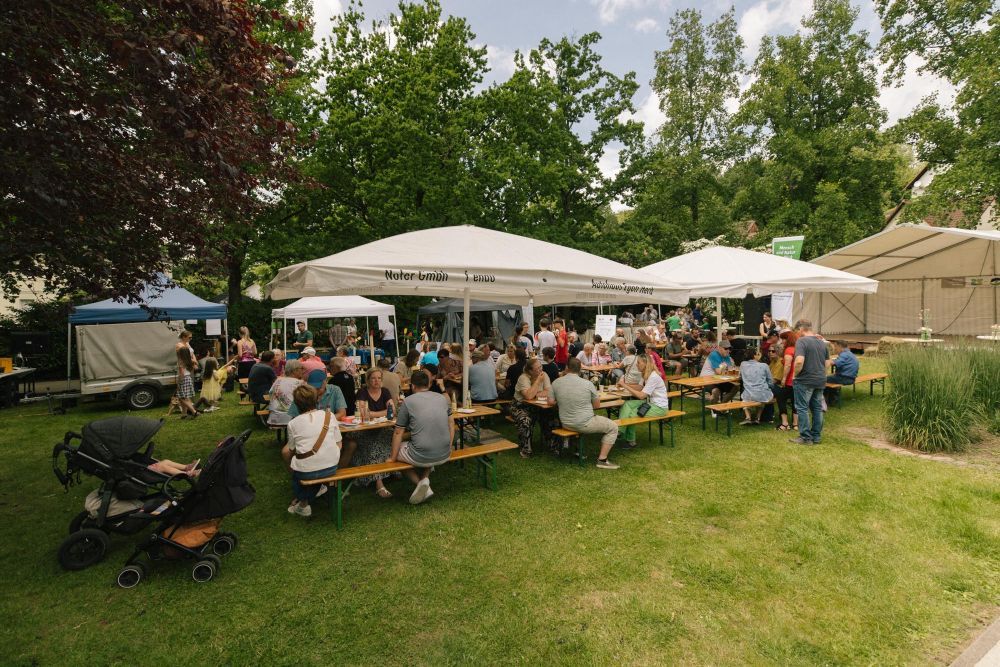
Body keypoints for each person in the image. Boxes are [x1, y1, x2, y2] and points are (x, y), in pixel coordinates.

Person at [388, 369, 455, 505]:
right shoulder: (442, 398)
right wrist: (449, 445)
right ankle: (424, 480)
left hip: (424, 454)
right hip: (445, 452)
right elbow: (451, 423)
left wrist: (392, 458)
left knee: (398, 450)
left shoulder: (408, 401)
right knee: (428, 442)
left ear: (412, 386)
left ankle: (420, 484)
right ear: (429, 384)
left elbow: (398, 432)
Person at [283, 385, 343, 518]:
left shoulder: (293, 424)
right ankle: (315, 491)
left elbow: (292, 449)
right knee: (307, 465)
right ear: (317, 399)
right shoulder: (329, 416)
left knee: (295, 465)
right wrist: (327, 454)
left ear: (296, 404)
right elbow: (339, 444)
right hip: (331, 466)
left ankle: (303, 503)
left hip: (306, 471)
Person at [550, 358, 620, 469]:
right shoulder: (587, 384)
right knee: (613, 427)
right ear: (580, 370)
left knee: (591, 423)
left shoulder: (556, 382)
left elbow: (550, 402)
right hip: (584, 423)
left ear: (566, 367)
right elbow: (596, 406)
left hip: (566, 423)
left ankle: (578, 450)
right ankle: (602, 460)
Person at [344, 369, 395, 498]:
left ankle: (389, 472)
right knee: (374, 445)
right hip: (363, 430)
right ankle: (379, 483)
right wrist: (382, 413)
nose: (377, 381)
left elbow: (392, 410)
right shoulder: (362, 392)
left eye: (379, 378)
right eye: (373, 378)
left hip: (382, 429)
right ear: (367, 380)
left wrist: (372, 414)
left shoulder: (385, 391)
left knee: (389, 439)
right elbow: (362, 413)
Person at [616, 353, 670, 448]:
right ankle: (620, 431)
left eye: (638, 363)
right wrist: (623, 384)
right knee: (627, 404)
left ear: (646, 363)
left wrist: (624, 385)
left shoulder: (653, 377)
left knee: (631, 414)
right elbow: (639, 387)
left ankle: (630, 441)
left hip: (660, 408)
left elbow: (641, 396)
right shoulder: (645, 374)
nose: (636, 365)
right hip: (650, 403)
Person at [791, 319, 829, 445]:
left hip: (805, 380)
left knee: (802, 408)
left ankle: (806, 437)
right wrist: (822, 375)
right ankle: (816, 436)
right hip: (820, 379)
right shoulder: (822, 342)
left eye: (797, 331)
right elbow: (827, 363)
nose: (797, 334)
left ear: (801, 329)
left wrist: (795, 375)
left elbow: (799, 361)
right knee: (817, 408)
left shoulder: (801, 341)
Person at [510, 358, 554, 458]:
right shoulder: (523, 378)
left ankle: (552, 446)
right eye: (537, 368)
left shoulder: (544, 374)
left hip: (537, 406)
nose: (540, 369)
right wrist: (538, 381)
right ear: (530, 371)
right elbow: (529, 396)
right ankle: (526, 450)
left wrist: (536, 394)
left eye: (541, 367)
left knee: (551, 416)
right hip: (519, 406)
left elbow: (549, 391)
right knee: (525, 420)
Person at [738, 348, 774, 425]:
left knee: (745, 397)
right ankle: (758, 418)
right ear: (754, 356)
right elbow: (770, 381)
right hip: (762, 394)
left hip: (748, 395)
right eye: (758, 354)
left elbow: (740, 376)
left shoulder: (743, 364)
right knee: (762, 393)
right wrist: (770, 387)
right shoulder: (764, 365)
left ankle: (748, 417)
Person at [266, 358, 305, 426]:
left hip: (274, 418)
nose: (303, 371)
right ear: (295, 370)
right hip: (291, 419)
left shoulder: (278, 380)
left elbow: (270, 393)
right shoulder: (300, 383)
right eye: (301, 368)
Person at [773, 330, 798, 432]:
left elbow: (787, 364)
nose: (782, 341)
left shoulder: (788, 350)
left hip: (789, 380)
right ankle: (795, 424)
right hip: (798, 381)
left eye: (783, 338)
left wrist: (783, 378)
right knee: (795, 401)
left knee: (781, 398)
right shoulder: (797, 349)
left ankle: (785, 423)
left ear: (788, 339)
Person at [700, 339, 736, 404]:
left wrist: (728, 369)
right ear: (720, 348)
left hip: (719, 380)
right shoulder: (714, 355)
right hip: (707, 380)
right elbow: (719, 372)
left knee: (735, 388)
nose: (728, 351)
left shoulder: (727, 356)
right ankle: (714, 407)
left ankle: (721, 406)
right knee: (716, 390)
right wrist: (727, 369)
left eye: (729, 349)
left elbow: (731, 368)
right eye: (726, 348)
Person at [824, 340, 859, 407]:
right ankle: (832, 399)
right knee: (830, 378)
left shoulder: (844, 354)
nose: (835, 349)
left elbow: (834, 363)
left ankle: (825, 401)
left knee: (822, 379)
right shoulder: (850, 353)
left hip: (845, 378)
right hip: (851, 378)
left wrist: (827, 360)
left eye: (836, 347)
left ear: (840, 346)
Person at [175, 346, 200, 418]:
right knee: (185, 397)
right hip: (188, 378)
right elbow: (196, 367)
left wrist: (178, 382)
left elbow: (182, 373)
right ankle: (184, 414)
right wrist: (194, 359)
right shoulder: (189, 360)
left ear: (181, 353)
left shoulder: (180, 361)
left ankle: (194, 412)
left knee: (182, 398)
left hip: (183, 379)